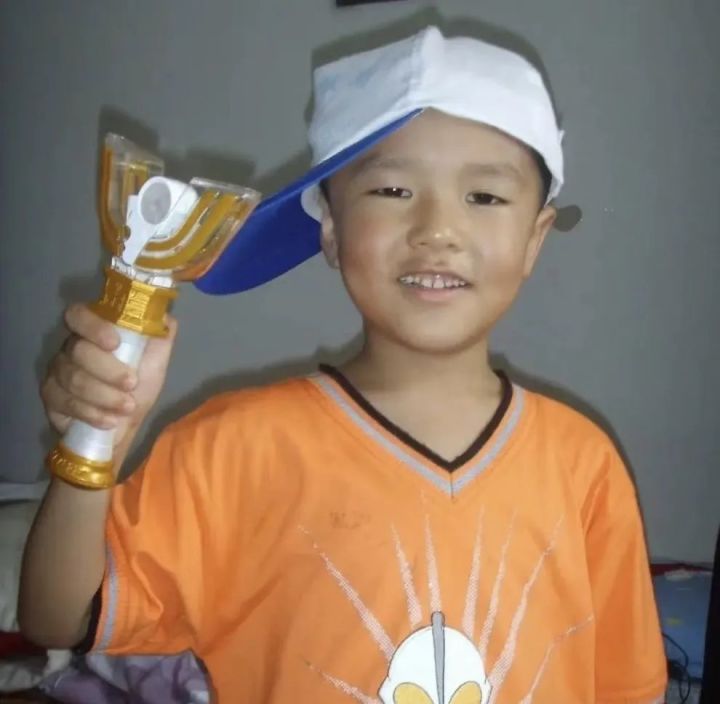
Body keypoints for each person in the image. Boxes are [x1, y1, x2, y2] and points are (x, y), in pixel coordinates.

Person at [19, 26, 668, 704]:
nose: (437, 230)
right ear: (329, 227)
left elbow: (627, 688)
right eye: (392, 191)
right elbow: (57, 618)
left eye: (485, 197)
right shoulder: (232, 448)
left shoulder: (584, 466)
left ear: (535, 238)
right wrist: (92, 446)